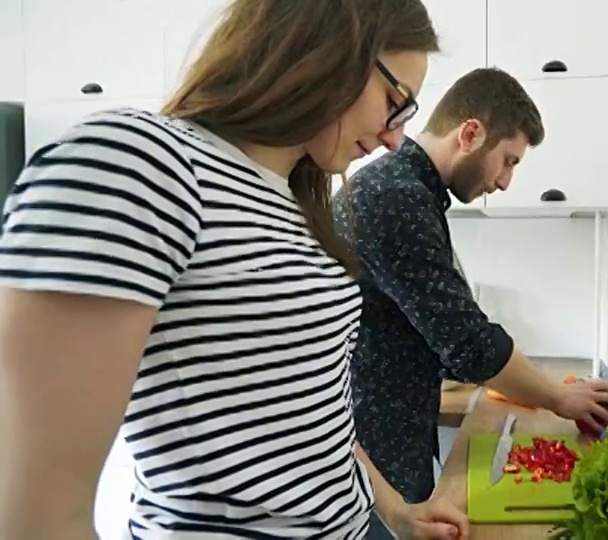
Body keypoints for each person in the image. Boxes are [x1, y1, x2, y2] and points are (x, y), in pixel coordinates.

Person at [0, 1, 470, 539]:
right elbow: (36, 517)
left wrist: (394, 510)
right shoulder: (138, 165)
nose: (394, 137)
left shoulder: (298, 204)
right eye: (395, 102)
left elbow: (315, 412)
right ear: (328, 51)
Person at [331, 67, 608, 520]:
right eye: (509, 160)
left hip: (385, 443)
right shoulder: (396, 197)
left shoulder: (411, 193)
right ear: (470, 133)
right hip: (368, 461)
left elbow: (447, 337)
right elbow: (468, 346)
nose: (505, 181)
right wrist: (561, 399)